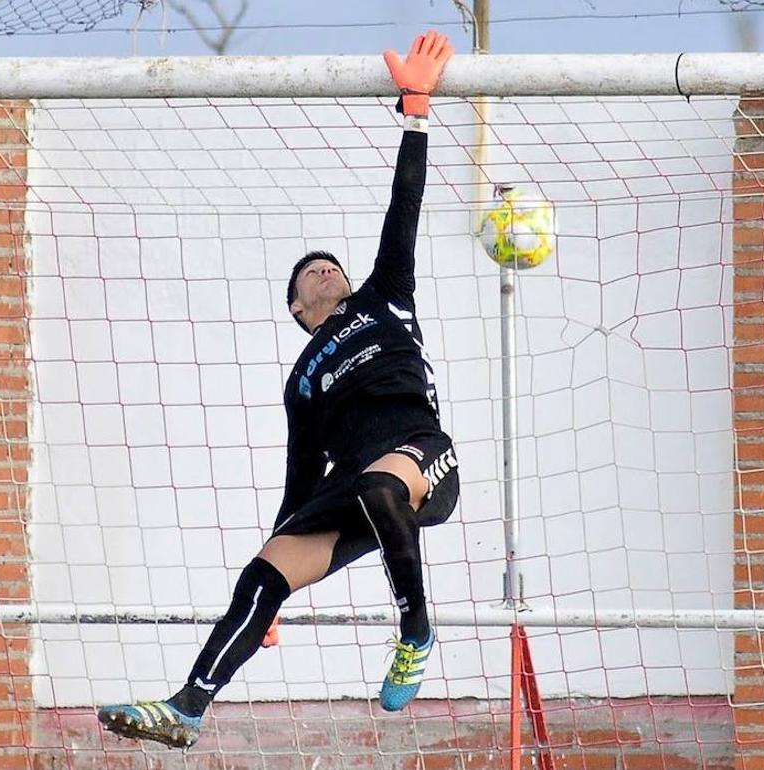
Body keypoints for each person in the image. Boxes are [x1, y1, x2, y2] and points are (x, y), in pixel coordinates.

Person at [97, 31, 458, 749]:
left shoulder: (384, 299)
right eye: (311, 274)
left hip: (419, 460)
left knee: (384, 489)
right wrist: (275, 582)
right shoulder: (302, 380)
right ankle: (188, 706)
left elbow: (403, 211)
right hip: (355, 485)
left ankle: (415, 627)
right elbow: (300, 484)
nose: (326, 272)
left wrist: (415, 110)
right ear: (298, 310)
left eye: (332, 267)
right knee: (264, 569)